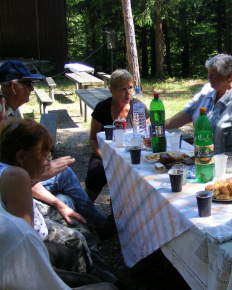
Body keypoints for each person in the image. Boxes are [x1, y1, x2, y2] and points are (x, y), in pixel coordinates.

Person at [0, 60, 116, 239]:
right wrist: (41, 171)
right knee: (66, 176)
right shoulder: (3, 116)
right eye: (28, 84)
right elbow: (9, 172)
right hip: (14, 185)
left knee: (65, 191)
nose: (32, 89)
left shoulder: (12, 110)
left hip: (21, 178)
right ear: (14, 86)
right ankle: (101, 223)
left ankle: (96, 221)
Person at [0, 118, 119, 289]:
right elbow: (25, 242)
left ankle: (98, 275)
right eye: (45, 156)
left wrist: (58, 203)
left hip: (31, 241)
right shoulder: (16, 176)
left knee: (68, 205)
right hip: (28, 262)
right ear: (21, 156)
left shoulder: (9, 169)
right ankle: (98, 279)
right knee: (76, 236)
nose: (48, 163)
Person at [164, 53, 232, 154]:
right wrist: (162, 125)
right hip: (200, 159)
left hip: (223, 165)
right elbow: (187, 113)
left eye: (213, 75)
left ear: (229, 76)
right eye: (209, 74)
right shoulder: (207, 90)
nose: (209, 78)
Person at [85, 69, 150, 201]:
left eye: (130, 88)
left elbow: (147, 135)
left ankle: (122, 214)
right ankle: (84, 210)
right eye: (122, 89)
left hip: (133, 154)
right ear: (111, 90)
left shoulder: (139, 107)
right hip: (105, 153)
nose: (128, 93)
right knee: (96, 174)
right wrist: (105, 157)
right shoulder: (102, 108)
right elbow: (93, 139)